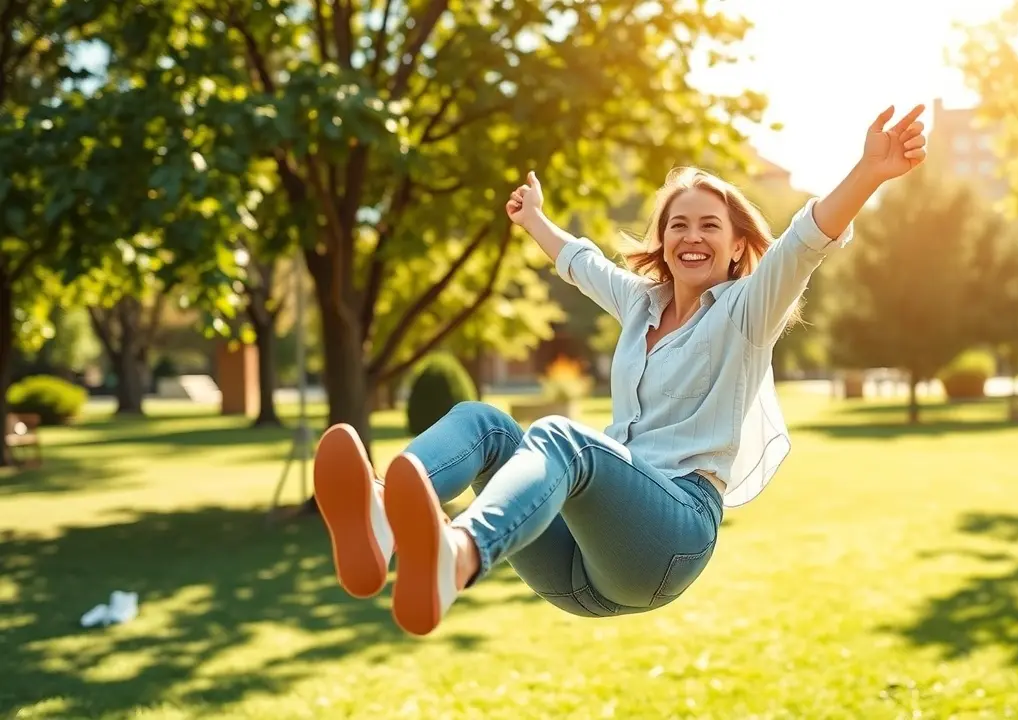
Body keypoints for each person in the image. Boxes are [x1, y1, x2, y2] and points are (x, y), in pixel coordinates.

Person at [312, 104, 929, 637]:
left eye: (710, 225)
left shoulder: (747, 311)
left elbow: (805, 239)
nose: (692, 236)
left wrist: (870, 171)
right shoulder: (642, 304)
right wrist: (533, 220)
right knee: (483, 422)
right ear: (661, 241)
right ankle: (385, 516)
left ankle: (457, 554)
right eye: (677, 225)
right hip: (580, 564)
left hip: (670, 538)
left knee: (563, 439)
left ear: (739, 245)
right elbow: (584, 265)